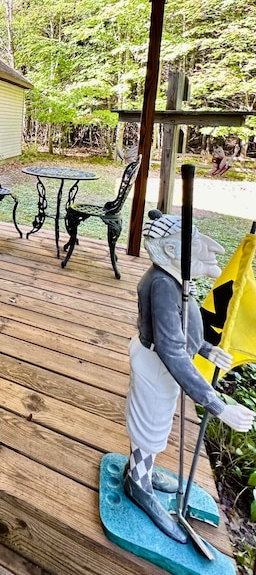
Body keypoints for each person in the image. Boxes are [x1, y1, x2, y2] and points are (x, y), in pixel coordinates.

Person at [124, 210, 256, 542]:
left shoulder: (173, 279)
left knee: (158, 424)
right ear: (169, 250)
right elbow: (170, 347)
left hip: (163, 362)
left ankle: (144, 471)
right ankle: (137, 483)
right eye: (192, 242)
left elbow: (183, 330)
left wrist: (206, 350)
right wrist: (217, 405)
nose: (205, 249)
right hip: (157, 364)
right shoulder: (163, 285)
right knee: (150, 425)